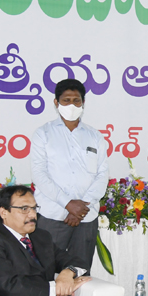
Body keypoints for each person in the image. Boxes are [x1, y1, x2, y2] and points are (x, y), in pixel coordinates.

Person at [30, 78, 108, 276]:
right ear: (56, 102)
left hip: (86, 217)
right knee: (46, 272)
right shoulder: (43, 133)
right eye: (66, 100)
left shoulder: (95, 136)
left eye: (76, 100)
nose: (72, 105)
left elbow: (102, 174)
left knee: (81, 274)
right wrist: (68, 204)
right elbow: (39, 174)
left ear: (83, 103)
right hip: (53, 215)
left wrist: (80, 208)